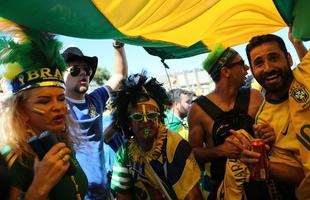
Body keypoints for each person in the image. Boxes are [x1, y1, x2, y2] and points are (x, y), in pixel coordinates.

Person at [0, 19, 87, 199]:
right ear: (21, 111)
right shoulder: (12, 161)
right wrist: (39, 187)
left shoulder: (61, 140)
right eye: (44, 101)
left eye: (61, 98)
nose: (57, 107)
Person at [228, 32, 309, 199]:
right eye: (259, 63)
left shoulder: (305, 76)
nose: (268, 68)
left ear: (289, 58)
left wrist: (296, 41)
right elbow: (301, 177)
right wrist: (260, 162)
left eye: (273, 58)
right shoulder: (264, 122)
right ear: (252, 70)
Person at [188, 44, 275, 199]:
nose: (247, 68)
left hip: (263, 183)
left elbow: (275, 132)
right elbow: (193, 152)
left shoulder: (255, 97)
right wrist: (221, 150)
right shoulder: (198, 109)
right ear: (225, 71)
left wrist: (268, 133)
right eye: (241, 64)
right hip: (224, 189)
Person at [110, 73, 203, 200]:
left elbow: (193, 197)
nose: (145, 121)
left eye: (151, 115)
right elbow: (123, 196)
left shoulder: (176, 146)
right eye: (137, 117)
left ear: (159, 119)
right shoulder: (124, 154)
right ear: (128, 123)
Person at [62, 41, 128, 199]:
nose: (83, 73)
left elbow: (119, 76)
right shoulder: (58, 107)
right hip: (77, 194)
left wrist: (118, 46)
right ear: (60, 75)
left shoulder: (96, 99)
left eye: (87, 69)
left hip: (104, 192)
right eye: (76, 70)